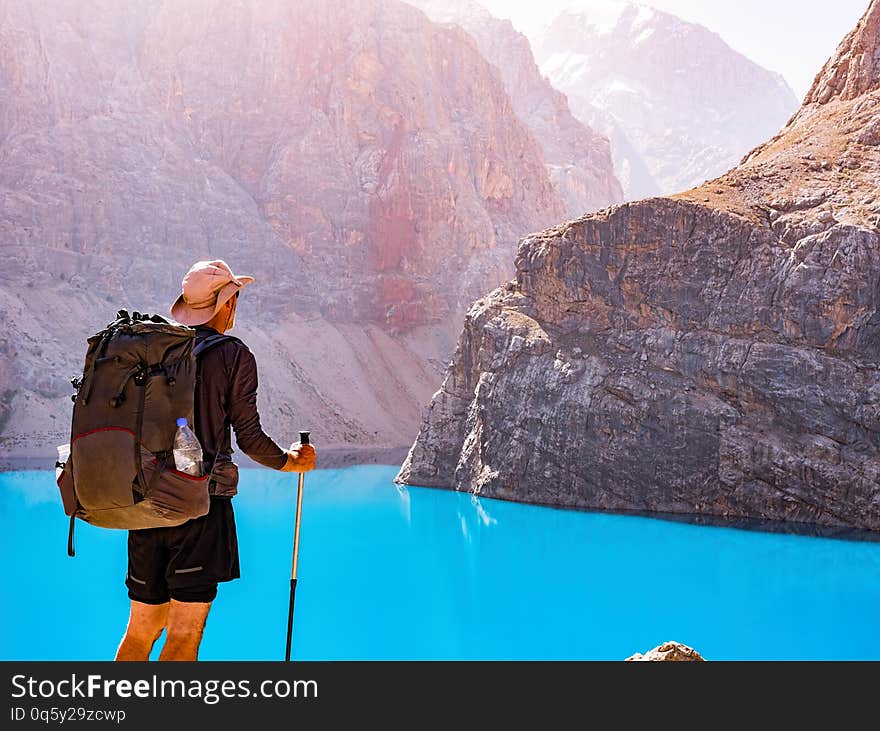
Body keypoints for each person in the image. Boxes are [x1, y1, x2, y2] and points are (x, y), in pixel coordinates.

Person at [114, 259, 316, 661]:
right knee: (184, 635)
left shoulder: (154, 350)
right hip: (199, 509)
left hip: (144, 505)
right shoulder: (232, 355)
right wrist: (290, 462)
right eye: (234, 297)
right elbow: (251, 438)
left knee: (140, 631)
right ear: (226, 303)